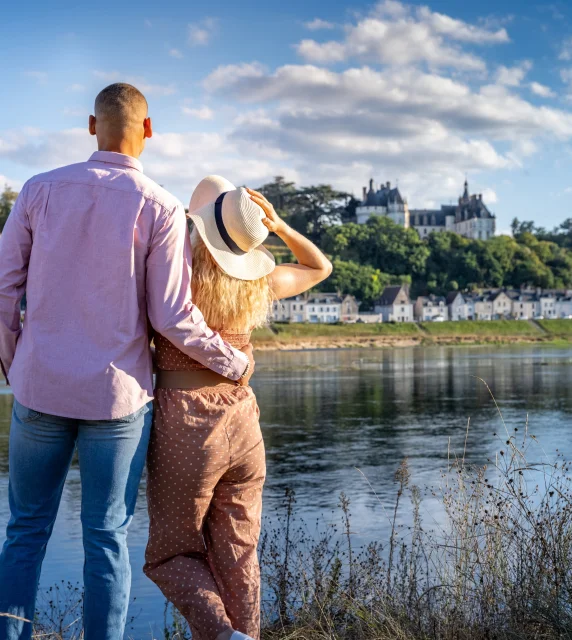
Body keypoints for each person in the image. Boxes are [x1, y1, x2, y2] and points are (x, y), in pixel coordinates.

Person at [0, 85, 254, 640]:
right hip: (116, 403)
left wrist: (14, 361)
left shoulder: (38, 191)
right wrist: (231, 360)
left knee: (24, 531)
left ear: (93, 125)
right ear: (149, 130)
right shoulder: (161, 206)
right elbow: (172, 316)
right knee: (106, 536)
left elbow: (2, 287)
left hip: (39, 388)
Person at [143, 175, 332, 640]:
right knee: (238, 554)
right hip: (244, 423)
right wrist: (281, 227)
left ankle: (225, 636)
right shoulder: (259, 283)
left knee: (171, 555)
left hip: (186, 422)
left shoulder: (174, 274)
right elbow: (319, 267)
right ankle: (245, 633)